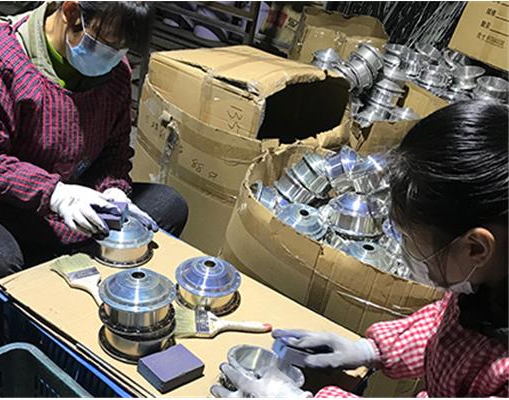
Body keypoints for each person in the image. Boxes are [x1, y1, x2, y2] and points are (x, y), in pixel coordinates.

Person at [0, 1, 188, 346]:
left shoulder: (114, 72)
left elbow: (114, 151)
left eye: (122, 49)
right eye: (106, 44)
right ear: (71, 12)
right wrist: (55, 194)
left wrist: (114, 190)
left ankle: (87, 300)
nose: (113, 57)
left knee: (168, 206)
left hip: (72, 202)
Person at [212, 101, 508, 398]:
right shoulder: (485, 280)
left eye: (413, 242)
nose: (406, 252)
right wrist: (371, 350)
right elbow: (446, 325)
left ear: (475, 248)